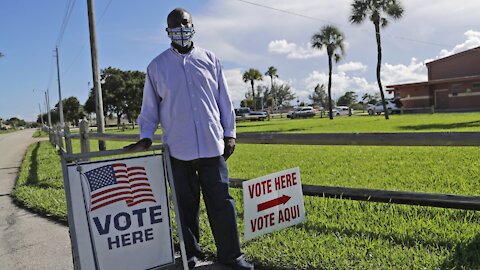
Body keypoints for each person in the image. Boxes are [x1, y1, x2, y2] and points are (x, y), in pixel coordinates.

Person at [124, 7, 253, 270]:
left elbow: (224, 101)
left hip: (211, 146)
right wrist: (146, 137)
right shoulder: (157, 67)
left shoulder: (210, 59)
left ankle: (232, 256)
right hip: (177, 150)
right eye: (174, 26)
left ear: (193, 25)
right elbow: (149, 109)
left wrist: (230, 134)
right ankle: (189, 255)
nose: (180, 29)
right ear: (167, 31)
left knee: (222, 204)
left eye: (185, 23)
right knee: (185, 207)